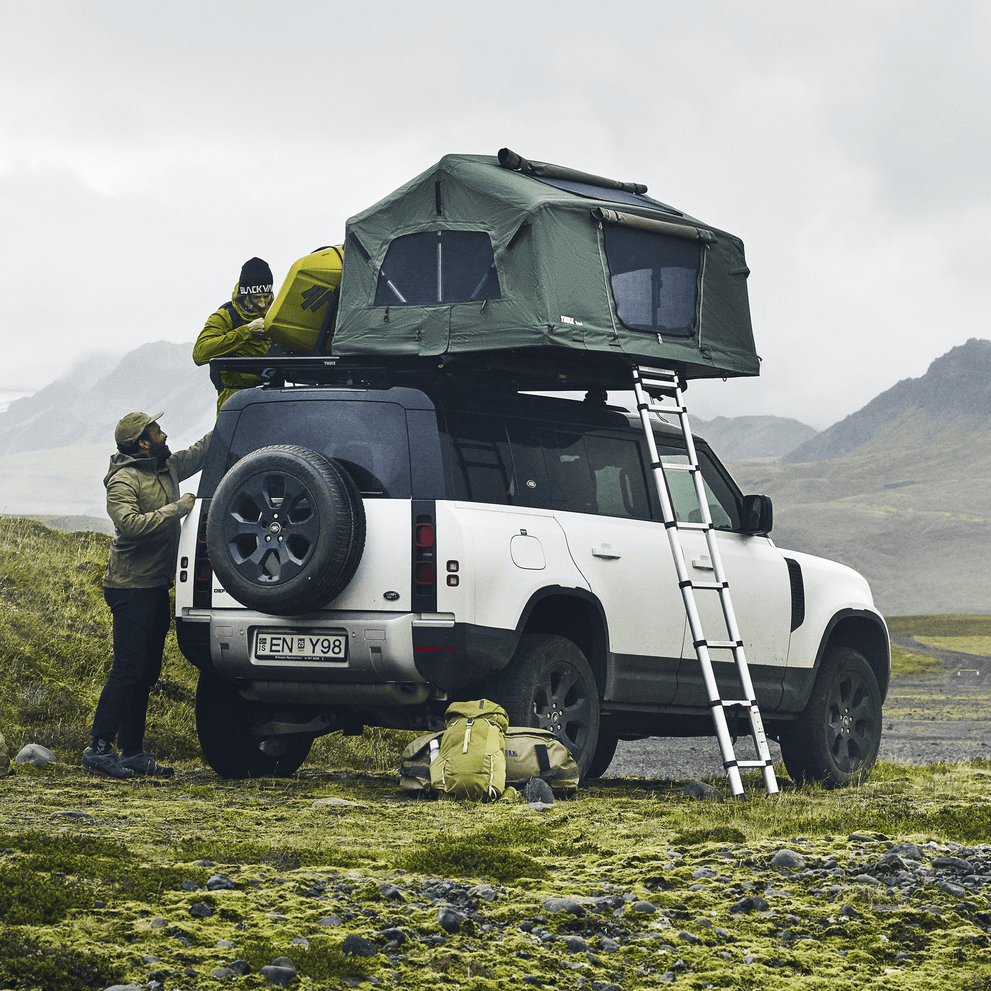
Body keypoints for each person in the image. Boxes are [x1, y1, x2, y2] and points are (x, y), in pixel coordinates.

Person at [82, 411, 212, 779]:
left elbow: (201, 451)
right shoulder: (123, 480)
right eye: (156, 430)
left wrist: (235, 405)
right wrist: (177, 509)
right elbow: (130, 524)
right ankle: (99, 748)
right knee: (127, 670)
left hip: (155, 586)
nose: (163, 433)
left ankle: (133, 751)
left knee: (146, 672)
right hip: (128, 587)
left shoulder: (166, 466)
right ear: (142, 441)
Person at [193, 256, 276, 413]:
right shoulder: (224, 317)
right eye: (257, 297)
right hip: (235, 401)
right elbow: (199, 354)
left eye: (267, 296)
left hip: (271, 396)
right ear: (244, 295)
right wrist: (247, 331)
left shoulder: (274, 314)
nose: (263, 303)